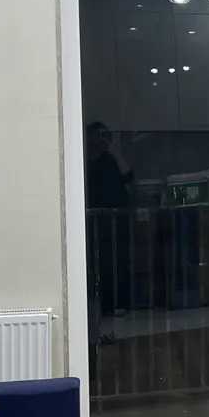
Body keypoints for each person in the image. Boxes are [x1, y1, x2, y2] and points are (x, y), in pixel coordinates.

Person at [85, 122, 134, 320]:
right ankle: (103, 305)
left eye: (104, 136)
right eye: (97, 136)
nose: (100, 140)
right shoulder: (85, 161)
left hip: (117, 219)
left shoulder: (111, 159)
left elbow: (129, 178)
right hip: (96, 220)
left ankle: (120, 303)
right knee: (99, 263)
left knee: (119, 260)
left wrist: (114, 150)